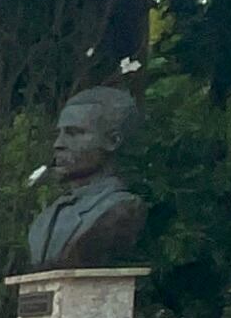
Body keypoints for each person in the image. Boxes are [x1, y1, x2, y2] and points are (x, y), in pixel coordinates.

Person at [22, 88, 150, 272]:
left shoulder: (121, 208)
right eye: (59, 133)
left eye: (74, 133)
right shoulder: (46, 218)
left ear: (113, 141)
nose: (58, 144)